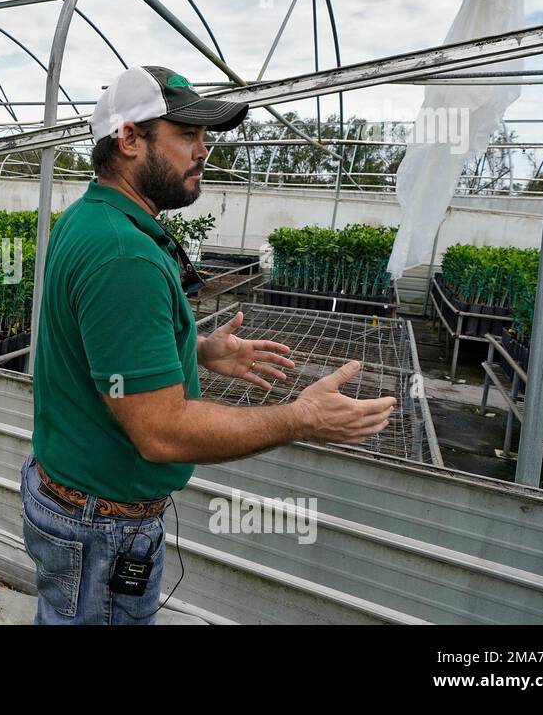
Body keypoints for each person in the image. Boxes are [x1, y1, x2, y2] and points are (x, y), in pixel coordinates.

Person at [23, 65, 397, 624]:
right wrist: (301, 418)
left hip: (71, 498)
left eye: (205, 137)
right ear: (129, 138)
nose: (203, 151)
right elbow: (160, 431)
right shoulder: (124, 255)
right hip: (103, 528)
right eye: (187, 135)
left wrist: (193, 350)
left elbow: (93, 345)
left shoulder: (89, 218)